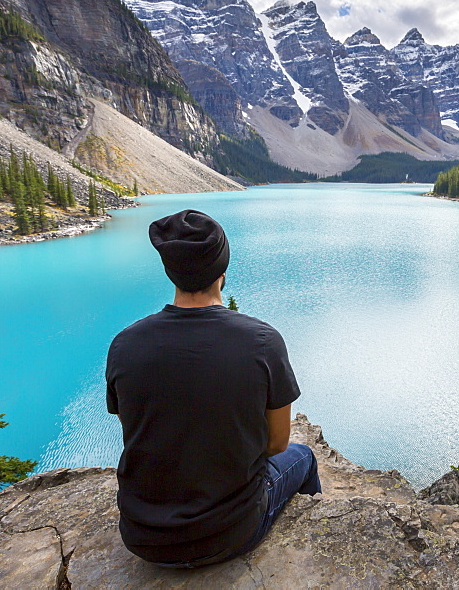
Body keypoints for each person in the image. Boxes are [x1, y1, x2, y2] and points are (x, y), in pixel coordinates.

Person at [106, 209, 321, 568]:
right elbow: (277, 443)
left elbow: (136, 430)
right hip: (232, 533)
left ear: (169, 270)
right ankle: (314, 541)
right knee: (304, 456)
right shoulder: (263, 342)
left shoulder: (124, 344)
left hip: (143, 537)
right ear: (222, 272)